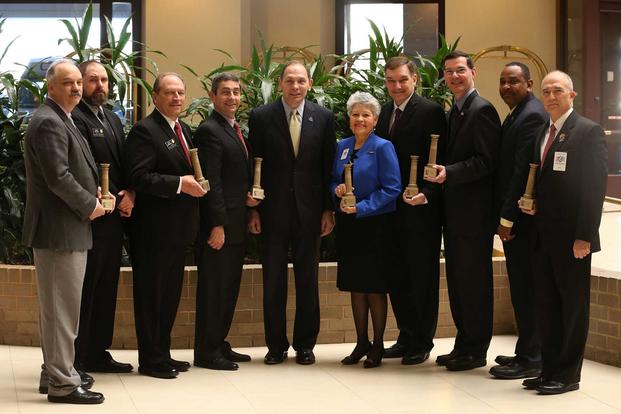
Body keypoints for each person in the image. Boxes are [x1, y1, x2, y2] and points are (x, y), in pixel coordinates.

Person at [22, 58, 109, 404]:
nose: (76, 88)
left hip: (67, 229)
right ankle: (62, 384)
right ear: (50, 86)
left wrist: (99, 195)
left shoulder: (63, 117)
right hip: (59, 232)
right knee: (61, 312)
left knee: (60, 310)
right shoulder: (48, 122)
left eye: (78, 82)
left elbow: (74, 170)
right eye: (68, 82)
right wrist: (90, 204)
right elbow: (58, 177)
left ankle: (53, 372)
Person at [520, 70, 607, 394]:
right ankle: (549, 369)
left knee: (572, 306)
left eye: (557, 90)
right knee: (547, 305)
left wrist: (585, 236)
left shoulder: (588, 132)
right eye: (546, 91)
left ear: (572, 95)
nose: (551, 96)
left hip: (573, 240)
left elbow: (593, 189)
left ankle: (568, 374)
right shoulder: (545, 131)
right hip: (543, 237)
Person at [248, 61, 336, 365]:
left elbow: (328, 167)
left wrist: (328, 208)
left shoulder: (323, 117)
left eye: (301, 81)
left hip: (310, 212)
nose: (295, 86)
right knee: (273, 280)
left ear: (309, 84)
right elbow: (254, 165)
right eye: (290, 81)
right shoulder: (261, 117)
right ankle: (275, 346)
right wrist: (254, 210)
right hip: (272, 211)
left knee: (307, 281)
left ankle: (305, 345)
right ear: (281, 83)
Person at [124, 72, 207, 379]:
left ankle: (163, 353)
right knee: (151, 297)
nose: (176, 98)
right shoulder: (145, 131)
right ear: (155, 96)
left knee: (169, 295)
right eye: (170, 92)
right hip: (153, 232)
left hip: (178, 230)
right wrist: (179, 184)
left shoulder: (182, 128)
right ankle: (151, 359)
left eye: (181, 93)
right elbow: (138, 177)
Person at [426, 51, 501, 371]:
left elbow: (487, 162)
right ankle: (463, 344)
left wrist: (450, 172)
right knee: (458, 283)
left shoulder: (482, 110)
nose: (454, 77)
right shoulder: (453, 111)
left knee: (474, 283)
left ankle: (476, 349)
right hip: (454, 215)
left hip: (474, 216)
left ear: (473, 72)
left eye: (460, 71)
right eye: (448, 72)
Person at [376, 56, 446, 365]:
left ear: (414, 79)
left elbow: (440, 156)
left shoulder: (430, 112)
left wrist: (428, 193)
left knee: (422, 276)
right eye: (391, 81)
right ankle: (405, 335)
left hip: (420, 210)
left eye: (402, 80)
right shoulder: (385, 112)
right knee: (397, 275)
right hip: (391, 210)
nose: (397, 86)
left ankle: (422, 340)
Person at [72, 60, 134, 374]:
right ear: (81, 84)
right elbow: (82, 167)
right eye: (93, 80)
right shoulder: (75, 118)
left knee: (108, 285)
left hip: (114, 217)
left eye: (105, 80)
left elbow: (121, 164)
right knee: (87, 288)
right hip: (89, 216)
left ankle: (98, 352)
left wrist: (129, 194)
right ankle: (78, 357)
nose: (101, 86)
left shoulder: (112, 118)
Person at [331, 92, 401, 368]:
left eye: (366, 115)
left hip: (376, 225)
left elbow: (392, 188)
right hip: (349, 227)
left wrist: (362, 207)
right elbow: (333, 179)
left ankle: (378, 345)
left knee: (374, 287)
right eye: (355, 114)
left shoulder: (383, 147)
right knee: (356, 286)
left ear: (375, 119)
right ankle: (361, 341)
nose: (360, 119)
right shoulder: (343, 146)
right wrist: (336, 191)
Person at [193, 73, 257, 370]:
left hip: (236, 219)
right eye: (226, 92)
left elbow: (234, 177)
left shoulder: (234, 128)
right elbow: (212, 182)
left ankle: (219, 342)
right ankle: (207, 351)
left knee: (229, 286)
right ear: (213, 96)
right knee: (214, 288)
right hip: (220, 225)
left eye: (236, 92)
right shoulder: (209, 130)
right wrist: (216, 225)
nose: (232, 97)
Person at [489, 62, 547, 380]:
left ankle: (533, 356)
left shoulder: (532, 114)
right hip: (516, 219)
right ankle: (526, 350)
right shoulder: (517, 113)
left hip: (523, 222)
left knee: (528, 287)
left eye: (514, 81)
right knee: (521, 286)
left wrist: (507, 218)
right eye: (503, 81)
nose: (507, 86)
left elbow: (523, 171)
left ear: (529, 82)